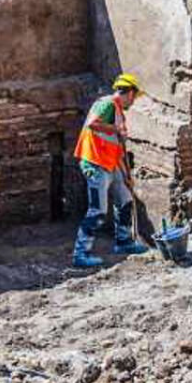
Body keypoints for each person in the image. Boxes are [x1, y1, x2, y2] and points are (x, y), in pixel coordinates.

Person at [71, 73, 149, 268]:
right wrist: (116, 130)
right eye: (134, 97)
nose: (133, 101)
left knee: (126, 201)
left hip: (111, 164)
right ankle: (80, 254)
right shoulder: (107, 104)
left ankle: (123, 242)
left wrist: (127, 176)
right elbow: (92, 124)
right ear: (129, 93)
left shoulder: (118, 113)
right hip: (95, 164)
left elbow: (119, 149)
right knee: (97, 210)